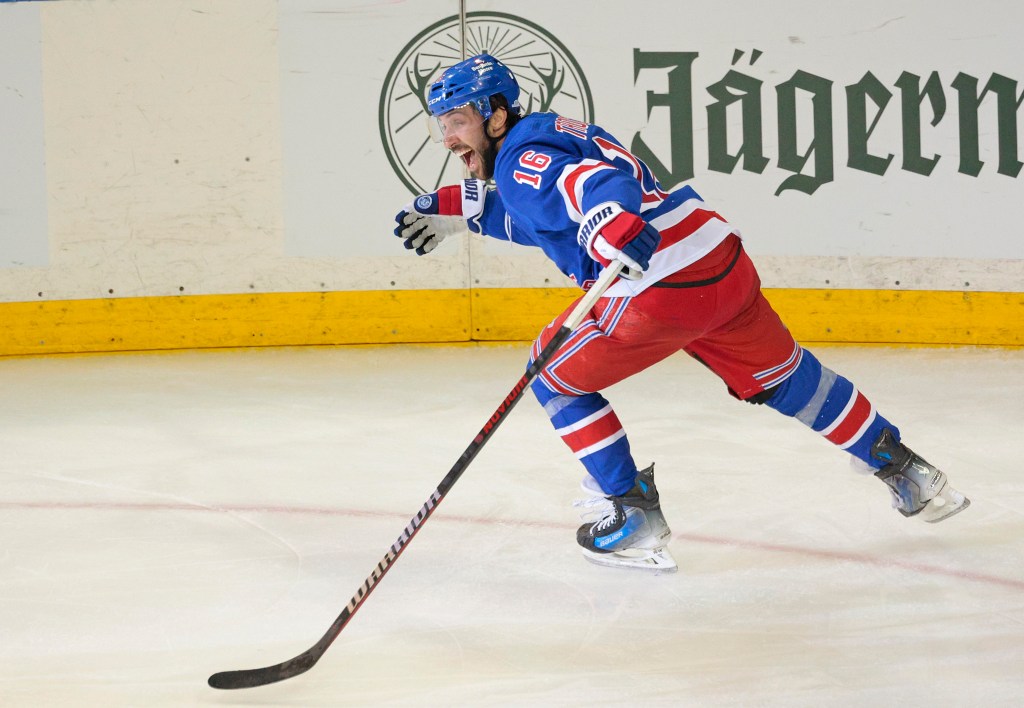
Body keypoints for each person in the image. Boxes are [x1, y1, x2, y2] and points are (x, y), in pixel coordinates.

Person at [392, 54, 970, 573]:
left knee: (553, 378)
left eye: (458, 121)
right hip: (719, 263)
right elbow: (543, 213)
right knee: (790, 378)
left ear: (496, 117)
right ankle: (907, 471)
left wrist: (607, 219)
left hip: (660, 286)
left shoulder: (522, 157)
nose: (447, 137)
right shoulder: (548, 133)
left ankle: (632, 514)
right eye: (441, 124)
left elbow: (589, 185)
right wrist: (462, 211)